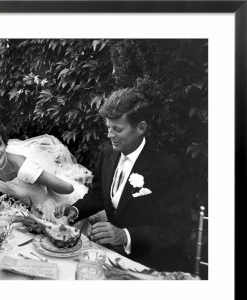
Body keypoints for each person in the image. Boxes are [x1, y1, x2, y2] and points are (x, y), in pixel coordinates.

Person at [55, 88, 192, 272]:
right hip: (115, 258)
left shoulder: (168, 168)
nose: (110, 135)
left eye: (117, 129)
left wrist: (125, 235)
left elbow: (178, 231)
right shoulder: (108, 153)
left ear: (141, 128)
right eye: (108, 127)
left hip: (153, 265)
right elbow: (98, 193)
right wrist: (76, 209)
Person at [0, 117, 92, 223]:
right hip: (27, 215)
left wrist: (42, 181)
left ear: (4, 142)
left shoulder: (25, 169)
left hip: (51, 215)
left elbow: (68, 188)